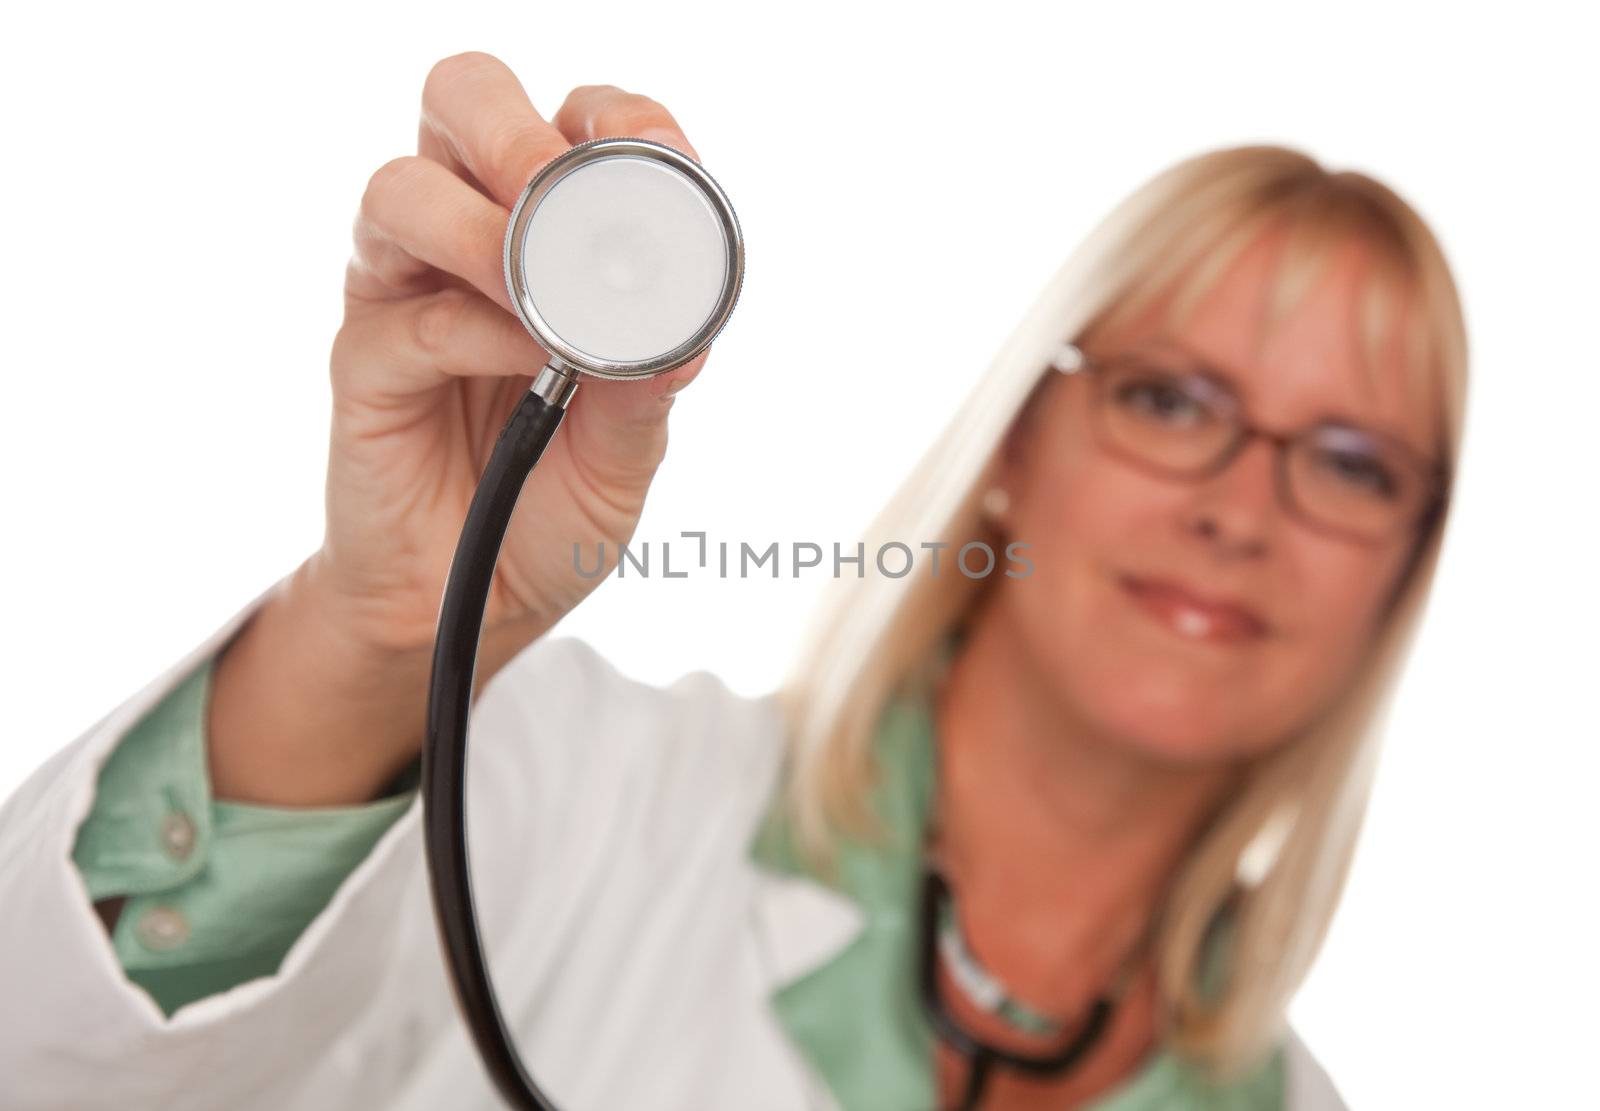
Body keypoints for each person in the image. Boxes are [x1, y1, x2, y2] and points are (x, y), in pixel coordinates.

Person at [0, 50, 1464, 1111]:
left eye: (1351, 463)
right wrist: (383, 636)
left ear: (1407, 564)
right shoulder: (565, 791)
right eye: (1172, 402)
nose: (1241, 509)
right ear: (1022, 442)